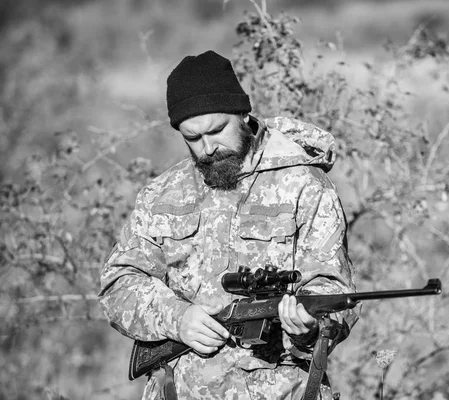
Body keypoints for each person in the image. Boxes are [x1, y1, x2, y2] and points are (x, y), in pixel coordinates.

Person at [98, 50, 358, 400]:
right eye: (192, 138)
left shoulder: (305, 185)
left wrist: (307, 327)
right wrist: (177, 317)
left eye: (217, 130)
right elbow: (118, 282)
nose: (207, 148)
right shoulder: (161, 194)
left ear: (242, 113)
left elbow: (336, 294)